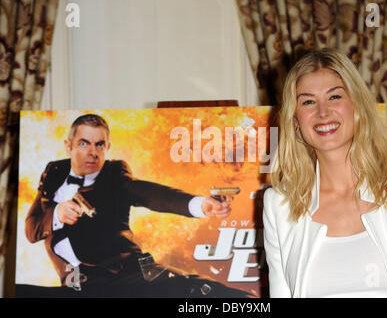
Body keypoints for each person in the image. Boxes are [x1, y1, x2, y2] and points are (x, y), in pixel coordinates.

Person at [263, 48, 387, 298]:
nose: (322, 112)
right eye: (307, 101)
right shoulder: (280, 206)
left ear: (357, 105)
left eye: (335, 97)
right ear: (295, 119)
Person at [24, 114, 245, 297]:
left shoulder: (114, 174)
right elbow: (31, 229)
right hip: (80, 284)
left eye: (99, 144)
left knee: (203, 292)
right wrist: (57, 213)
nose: (92, 152)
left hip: (132, 270)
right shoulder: (54, 173)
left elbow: (148, 193)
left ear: (107, 146)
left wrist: (198, 204)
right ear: (68, 146)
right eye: (84, 143)